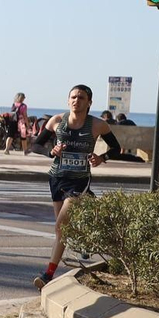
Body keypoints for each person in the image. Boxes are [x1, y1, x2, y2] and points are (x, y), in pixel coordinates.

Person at [34, 84, 119, 289]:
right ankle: (83, 239)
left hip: (79, 181)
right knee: (62, 232)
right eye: (73, 97)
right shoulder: (56, 121)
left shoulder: (97, 125)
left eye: (81, 98)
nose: (76, 100)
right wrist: (50, 152)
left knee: (60, 226)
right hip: (56, 178)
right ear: (67, 100)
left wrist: (102, 157)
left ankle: (47, 275)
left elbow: (116, 147)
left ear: (89, 102)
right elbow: (36, 145)